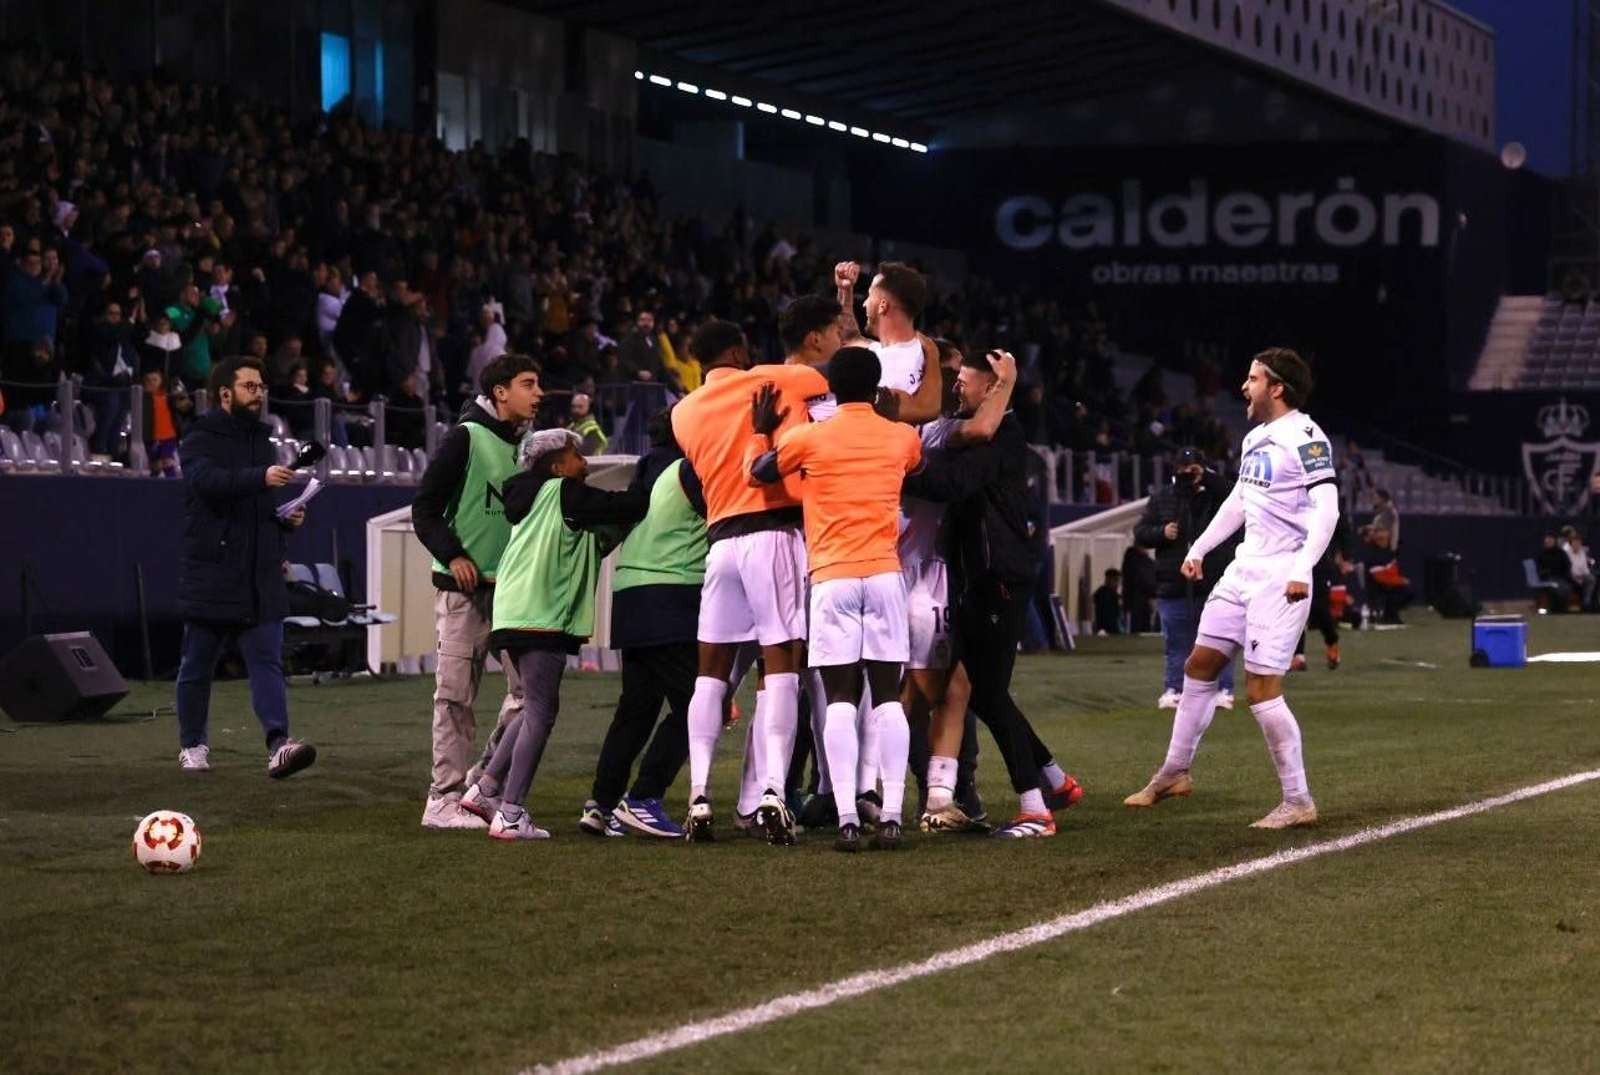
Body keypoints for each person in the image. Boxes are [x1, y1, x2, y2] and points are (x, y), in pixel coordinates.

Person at [1124, 347, 1339, 829]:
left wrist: (1304, 565)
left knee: (1261, 689)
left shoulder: (1306, 436)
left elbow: (1328, 508)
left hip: (1282, 574)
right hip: (1244, 569)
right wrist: (1198, 547)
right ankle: (1175, 772)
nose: (1244, 386)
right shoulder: (1255, 438)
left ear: (1277, 387)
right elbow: (1240, 500)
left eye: (1253, 378)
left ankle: (1298, 800)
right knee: (1198, 666)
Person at [746, 346, 923, 851]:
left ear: (832, 390)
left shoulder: (809, 437)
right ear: (875, 389)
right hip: (885, 575)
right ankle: (890, 817)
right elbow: (917, 461)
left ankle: (847, 818)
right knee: (889, 700)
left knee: (839, 701)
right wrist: (888, 418)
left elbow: (760, 471)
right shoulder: (901, 436)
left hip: (831, 578)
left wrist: (763, 428)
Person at [903, 349, 1082, 838]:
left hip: (998, 576)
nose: (957, 388)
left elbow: (953, 482)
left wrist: (897, 462)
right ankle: (1051, 780)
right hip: (980, 576)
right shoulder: (985, 430)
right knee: (971, 685)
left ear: (992, 388)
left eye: (966, 381)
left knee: (986, 690)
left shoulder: (1000, 431)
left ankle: (1035, 808)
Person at [670, 319, 828, 845]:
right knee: (781, 665)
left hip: (720, 545)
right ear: (738, 349)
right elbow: (840, 376)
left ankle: (697, 794)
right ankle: (772, 794)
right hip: (772, 534)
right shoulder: (773, 379)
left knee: (710, 675)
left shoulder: (682, 412)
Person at [458, 430, 648, 839]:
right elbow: (630, 504)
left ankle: (486, 789)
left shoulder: (529, 500)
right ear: (557, 466)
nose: (583, 461)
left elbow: (594, 531)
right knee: (542, 714)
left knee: (530, 708)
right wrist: (651, 481)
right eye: (575, 454)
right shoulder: (562, 491)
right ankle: (511, 813)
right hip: (538, 616)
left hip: (511, 614)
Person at [409, 353, 542, 829]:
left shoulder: (527, 448)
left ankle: (481, 780)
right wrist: (455, 556)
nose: (539, 392)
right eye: (529, 383)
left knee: (530, 696)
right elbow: (423, 509)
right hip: (463, 590)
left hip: (512, 594)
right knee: (455, 698)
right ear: (501, 392)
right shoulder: (465, 437)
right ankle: (441, 801)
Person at [173, 356, 316, 777]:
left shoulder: (263, 441)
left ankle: (279, 745)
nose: (259, 393)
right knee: (196, 665)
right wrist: (260, 478)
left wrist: (285, 520)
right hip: (214, 572)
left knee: (267, 663)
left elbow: (258, 506)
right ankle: (192, 746)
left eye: (261, 387)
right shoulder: (199, 438)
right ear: (224, 393)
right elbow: (206, 483)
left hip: (259, 574)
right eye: (250, 386)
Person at [580, 407, 704, 839]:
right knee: (699, 705)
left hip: (630, 594)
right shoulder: (690, 471)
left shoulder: (643, 473)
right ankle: (645, 797)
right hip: (671, 593)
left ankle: (602, 802)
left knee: (636, 709)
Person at [1133, 446, 1238, 709]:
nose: (1188, 476)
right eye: (1184, 471)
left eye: (1193, 471)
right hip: (1172, 581)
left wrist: (1208, 478)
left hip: (1212, 578)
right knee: (1176, 641)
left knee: (1219, 639)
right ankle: (1174, 688)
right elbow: (1140, 532)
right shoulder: (1162, 498)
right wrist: (1161, 532)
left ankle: (1223, 689)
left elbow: (1236, 497)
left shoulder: (1215, 496)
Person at [1559, 526, 1597, 610]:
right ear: (1571, 543)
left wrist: (1585, 574)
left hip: (1581, 575)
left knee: (1591, 578)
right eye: (1575, 542)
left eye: (1578, 542)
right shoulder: (1565, 552)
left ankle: (1587, 599)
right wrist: (1577, 575)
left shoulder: (1582, 551)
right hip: (1569, 576)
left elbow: (1584, 566)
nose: (1577, 544)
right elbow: (1570, 567)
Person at [1093, 569, 1123, 635]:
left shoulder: (1104, 594)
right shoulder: (1105, 595)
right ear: (1109, 580)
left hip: (1108, 628)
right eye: (1116, 580)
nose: (1118, 584)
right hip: (1108, 629)